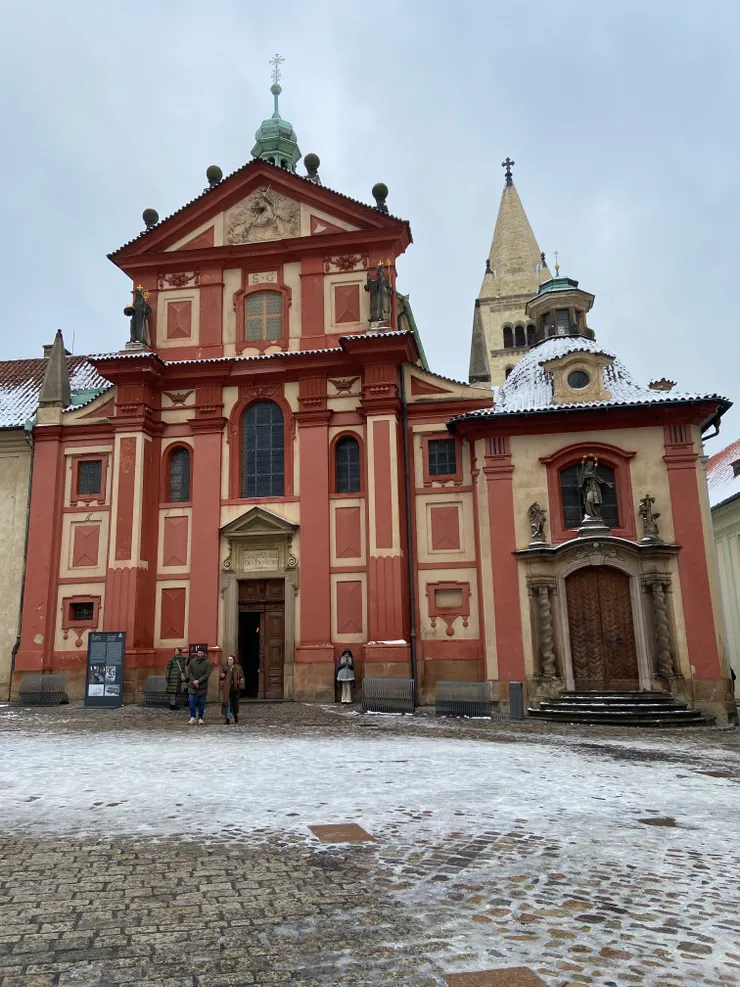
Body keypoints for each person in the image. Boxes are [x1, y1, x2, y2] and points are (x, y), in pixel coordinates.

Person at [187, 647, 212, 725]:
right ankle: (192, 717)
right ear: (197, 653)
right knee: (191, 702)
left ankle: (200, 718)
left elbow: (207, 674)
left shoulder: (207, 663)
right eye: (199, 653)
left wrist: (198, 681)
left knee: (201, 703)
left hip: (202, 686)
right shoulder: (192, 662)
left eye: (201, 653)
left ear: (204, 654)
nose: (200, 655)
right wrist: (194, 681)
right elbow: (189, 672)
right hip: (192, 686)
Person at [220, 655, 245, 725]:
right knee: (227, 703)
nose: (229, 661)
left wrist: (241, 680)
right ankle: (227, 718)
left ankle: (235, 715)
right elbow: (221, 678)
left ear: (234, 660)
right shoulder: (225, 668)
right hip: (226, 688)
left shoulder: (238, 668)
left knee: (234, 704)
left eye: (231, 660)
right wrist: (221, 677)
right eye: (228, 660)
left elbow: (241, 676)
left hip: (235, 688)